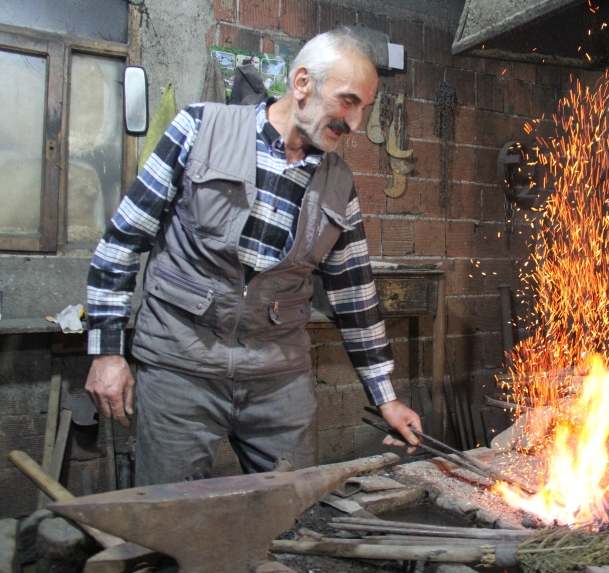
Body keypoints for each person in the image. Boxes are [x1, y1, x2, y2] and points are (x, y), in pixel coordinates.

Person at [84, 27, 421, 486]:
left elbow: (355, 297)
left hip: (277, 377)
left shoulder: (339, 184)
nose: (356, 123)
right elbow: (123, 240)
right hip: (181, 364)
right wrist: (107, 353)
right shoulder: (200, 127)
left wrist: (385, 397)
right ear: (302, 83)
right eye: (348, 101)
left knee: (290, 515)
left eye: (363, 108)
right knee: (173, 521)